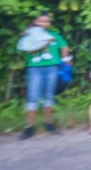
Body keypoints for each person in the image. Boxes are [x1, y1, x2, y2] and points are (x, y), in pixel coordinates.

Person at [18, 12, 71, 140]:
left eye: (46, 21)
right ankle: (29, 127)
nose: (43, 23)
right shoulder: (29, 35)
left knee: (49, 96)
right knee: (32, 98)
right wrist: (44, 43)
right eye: (40, 21)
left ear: (49, 23)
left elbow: (64, 47)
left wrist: (66, 59)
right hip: (35, 69)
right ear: (36, 22)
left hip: (52, 68)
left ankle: (48, 123)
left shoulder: (54, 35)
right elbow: (24, 49)